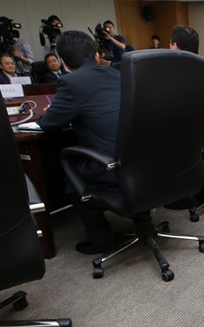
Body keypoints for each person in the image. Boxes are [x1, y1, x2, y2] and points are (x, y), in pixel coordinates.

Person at [37, 30, 124, 254]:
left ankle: (101, 238)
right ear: (96, 55)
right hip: (140, 162)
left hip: (112, 167)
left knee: (72, 176)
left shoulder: (70, 82)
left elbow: (48, 124)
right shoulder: (118, 75)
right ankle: (142, 221)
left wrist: (47, 113)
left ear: (64, 62)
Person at [163, 25, 204, 209]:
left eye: (170, 43)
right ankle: (200, 185)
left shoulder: (178, 69)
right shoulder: (203, 65)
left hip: (199, 141)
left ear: (175, 45)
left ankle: (181, 193)